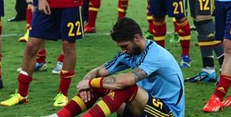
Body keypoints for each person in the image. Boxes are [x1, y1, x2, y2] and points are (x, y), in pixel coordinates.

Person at [48, 17, 185, 117]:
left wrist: (89, 83)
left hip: (168, 113)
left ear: (136, 38)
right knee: (103, 83)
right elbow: (97, 72)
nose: (123, 51)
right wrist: (87, 83)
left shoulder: (156, 55)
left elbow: (126, 81)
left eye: (125, 46)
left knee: (125, 86)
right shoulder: (129, 54)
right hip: (143, 109)